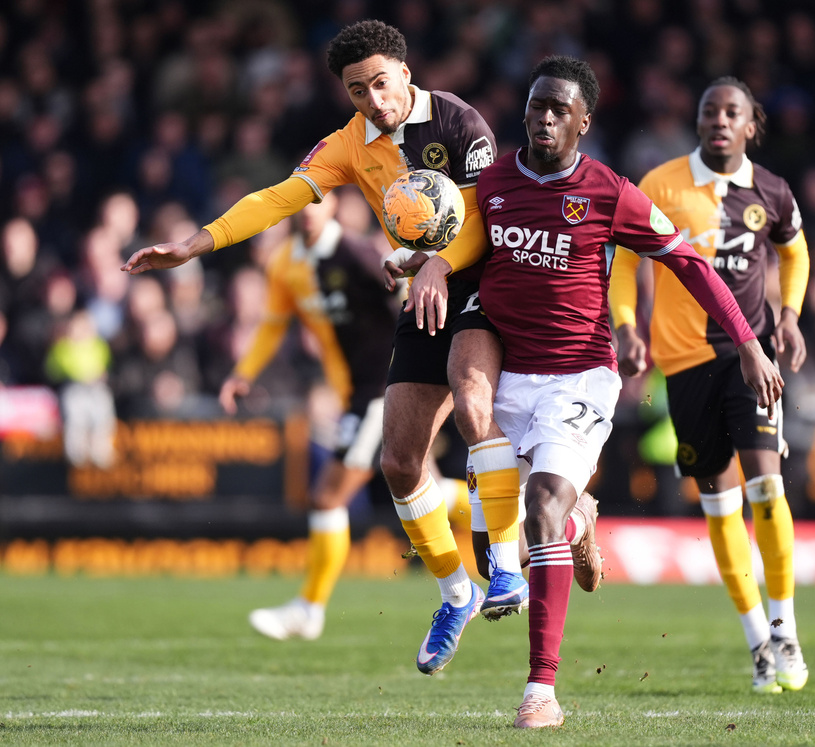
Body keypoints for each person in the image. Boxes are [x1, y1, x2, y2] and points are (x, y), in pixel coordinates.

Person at [121, 20, 600, 675]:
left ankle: (509, 570)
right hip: (424, 293)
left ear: (405, 72)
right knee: (401, 463)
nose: (374, 100)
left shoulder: (463, 125)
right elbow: (279, 198)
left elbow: (489, 213)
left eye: (380, 83)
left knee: (472, 404)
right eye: (357, 91)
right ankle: (457, 592)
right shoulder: (349, 143)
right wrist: (196, 243)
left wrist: (432, 261)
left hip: (490, 288)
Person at [411, 56, 782, 728]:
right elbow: (464, 239)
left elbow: (691, 264)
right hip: (508, 376)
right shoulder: (494, 184)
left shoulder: (610, 191)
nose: (543, 118)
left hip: (580, 375)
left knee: (540, 507)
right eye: (535, 106)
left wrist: (750, 341)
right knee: (511, 543)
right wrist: (429, 261)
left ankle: (541, 692)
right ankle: (580, 519)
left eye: (559, 109)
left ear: (584, 120)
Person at [610, 77, 811, 694]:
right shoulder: (659, 185)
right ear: (697, 123)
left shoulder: (772, 191)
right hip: (683, 365)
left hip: (751, 356)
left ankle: (786, 628)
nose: (719, 120)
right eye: (709, 111)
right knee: (721, 505)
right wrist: (625, 326)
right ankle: (756, 641)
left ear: (752, 126)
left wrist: (789, 316)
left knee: (768, 488)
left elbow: (795, 254)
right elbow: (625, 262)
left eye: (733, 112)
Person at [217, 191, 397, 641]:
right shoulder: (285, 264)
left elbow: (404, 309)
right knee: (419, 489)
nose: (308, 210)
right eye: (301, 203)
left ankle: (309, 608)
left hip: (381, 391)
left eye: (317, 201)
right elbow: (274, 324)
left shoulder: (358, 254)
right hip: (353, 393)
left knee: (327, 496)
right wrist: (244, 373)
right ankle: (518, 517)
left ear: (334, 205)